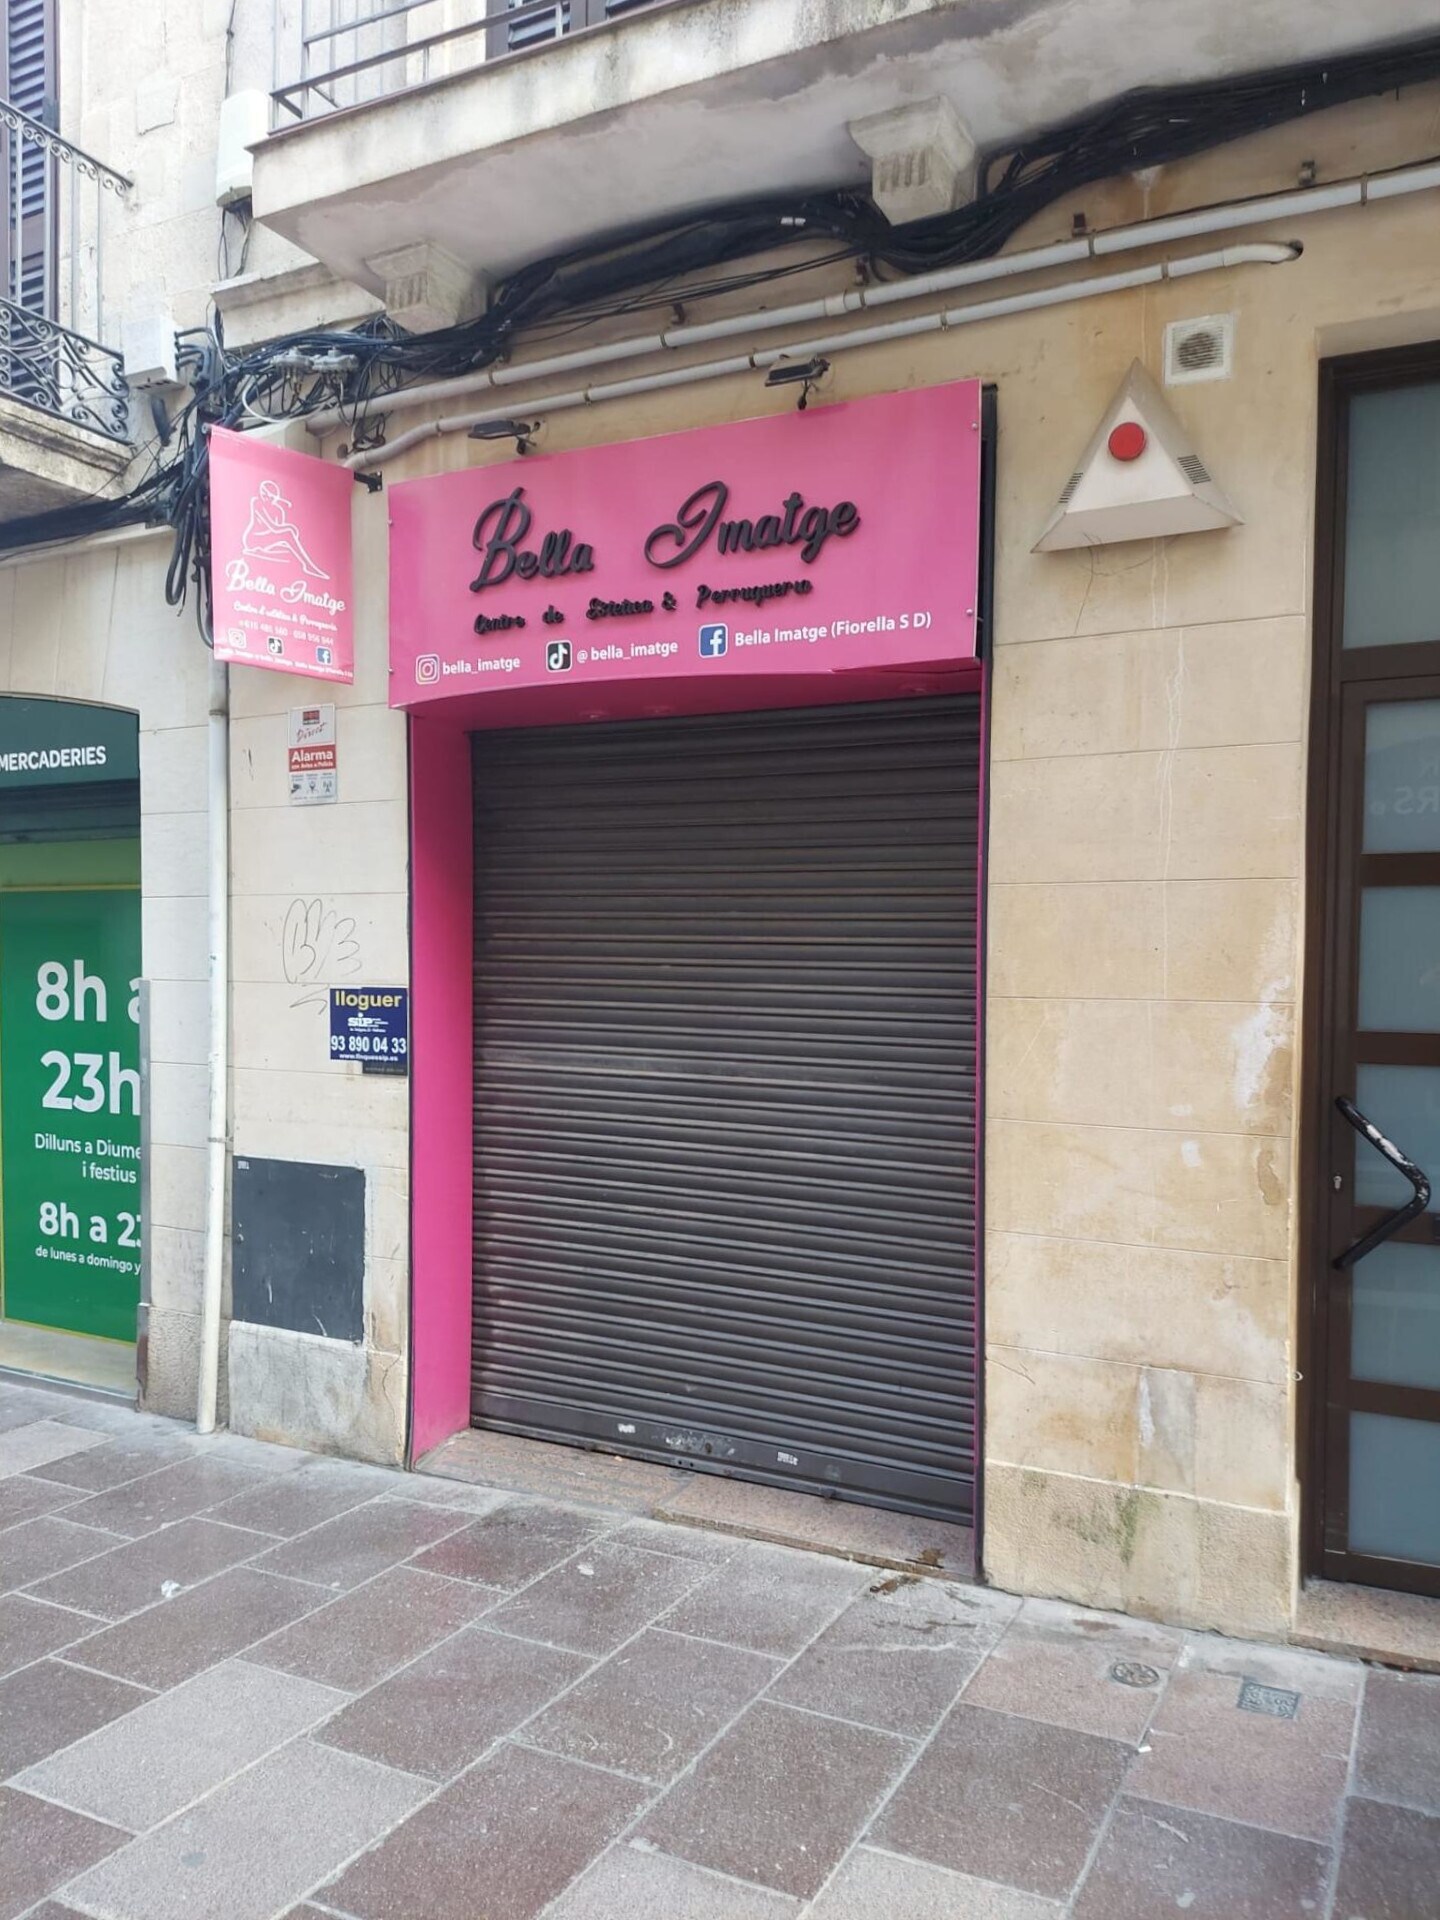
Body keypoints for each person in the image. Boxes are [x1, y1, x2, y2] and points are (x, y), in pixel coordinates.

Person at [242, 479, 327, 578]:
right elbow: (274, 528)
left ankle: (306, 563)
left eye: (271, 496)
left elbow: (279, 532)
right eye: (264, 494)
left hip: (268, 541)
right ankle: (308, 565)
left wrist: (289, 532)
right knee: (288, 535)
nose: (266, 497)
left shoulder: (278, 510)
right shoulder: (257, 503)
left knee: (290, 547)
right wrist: (291, 528)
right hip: (254, 539)